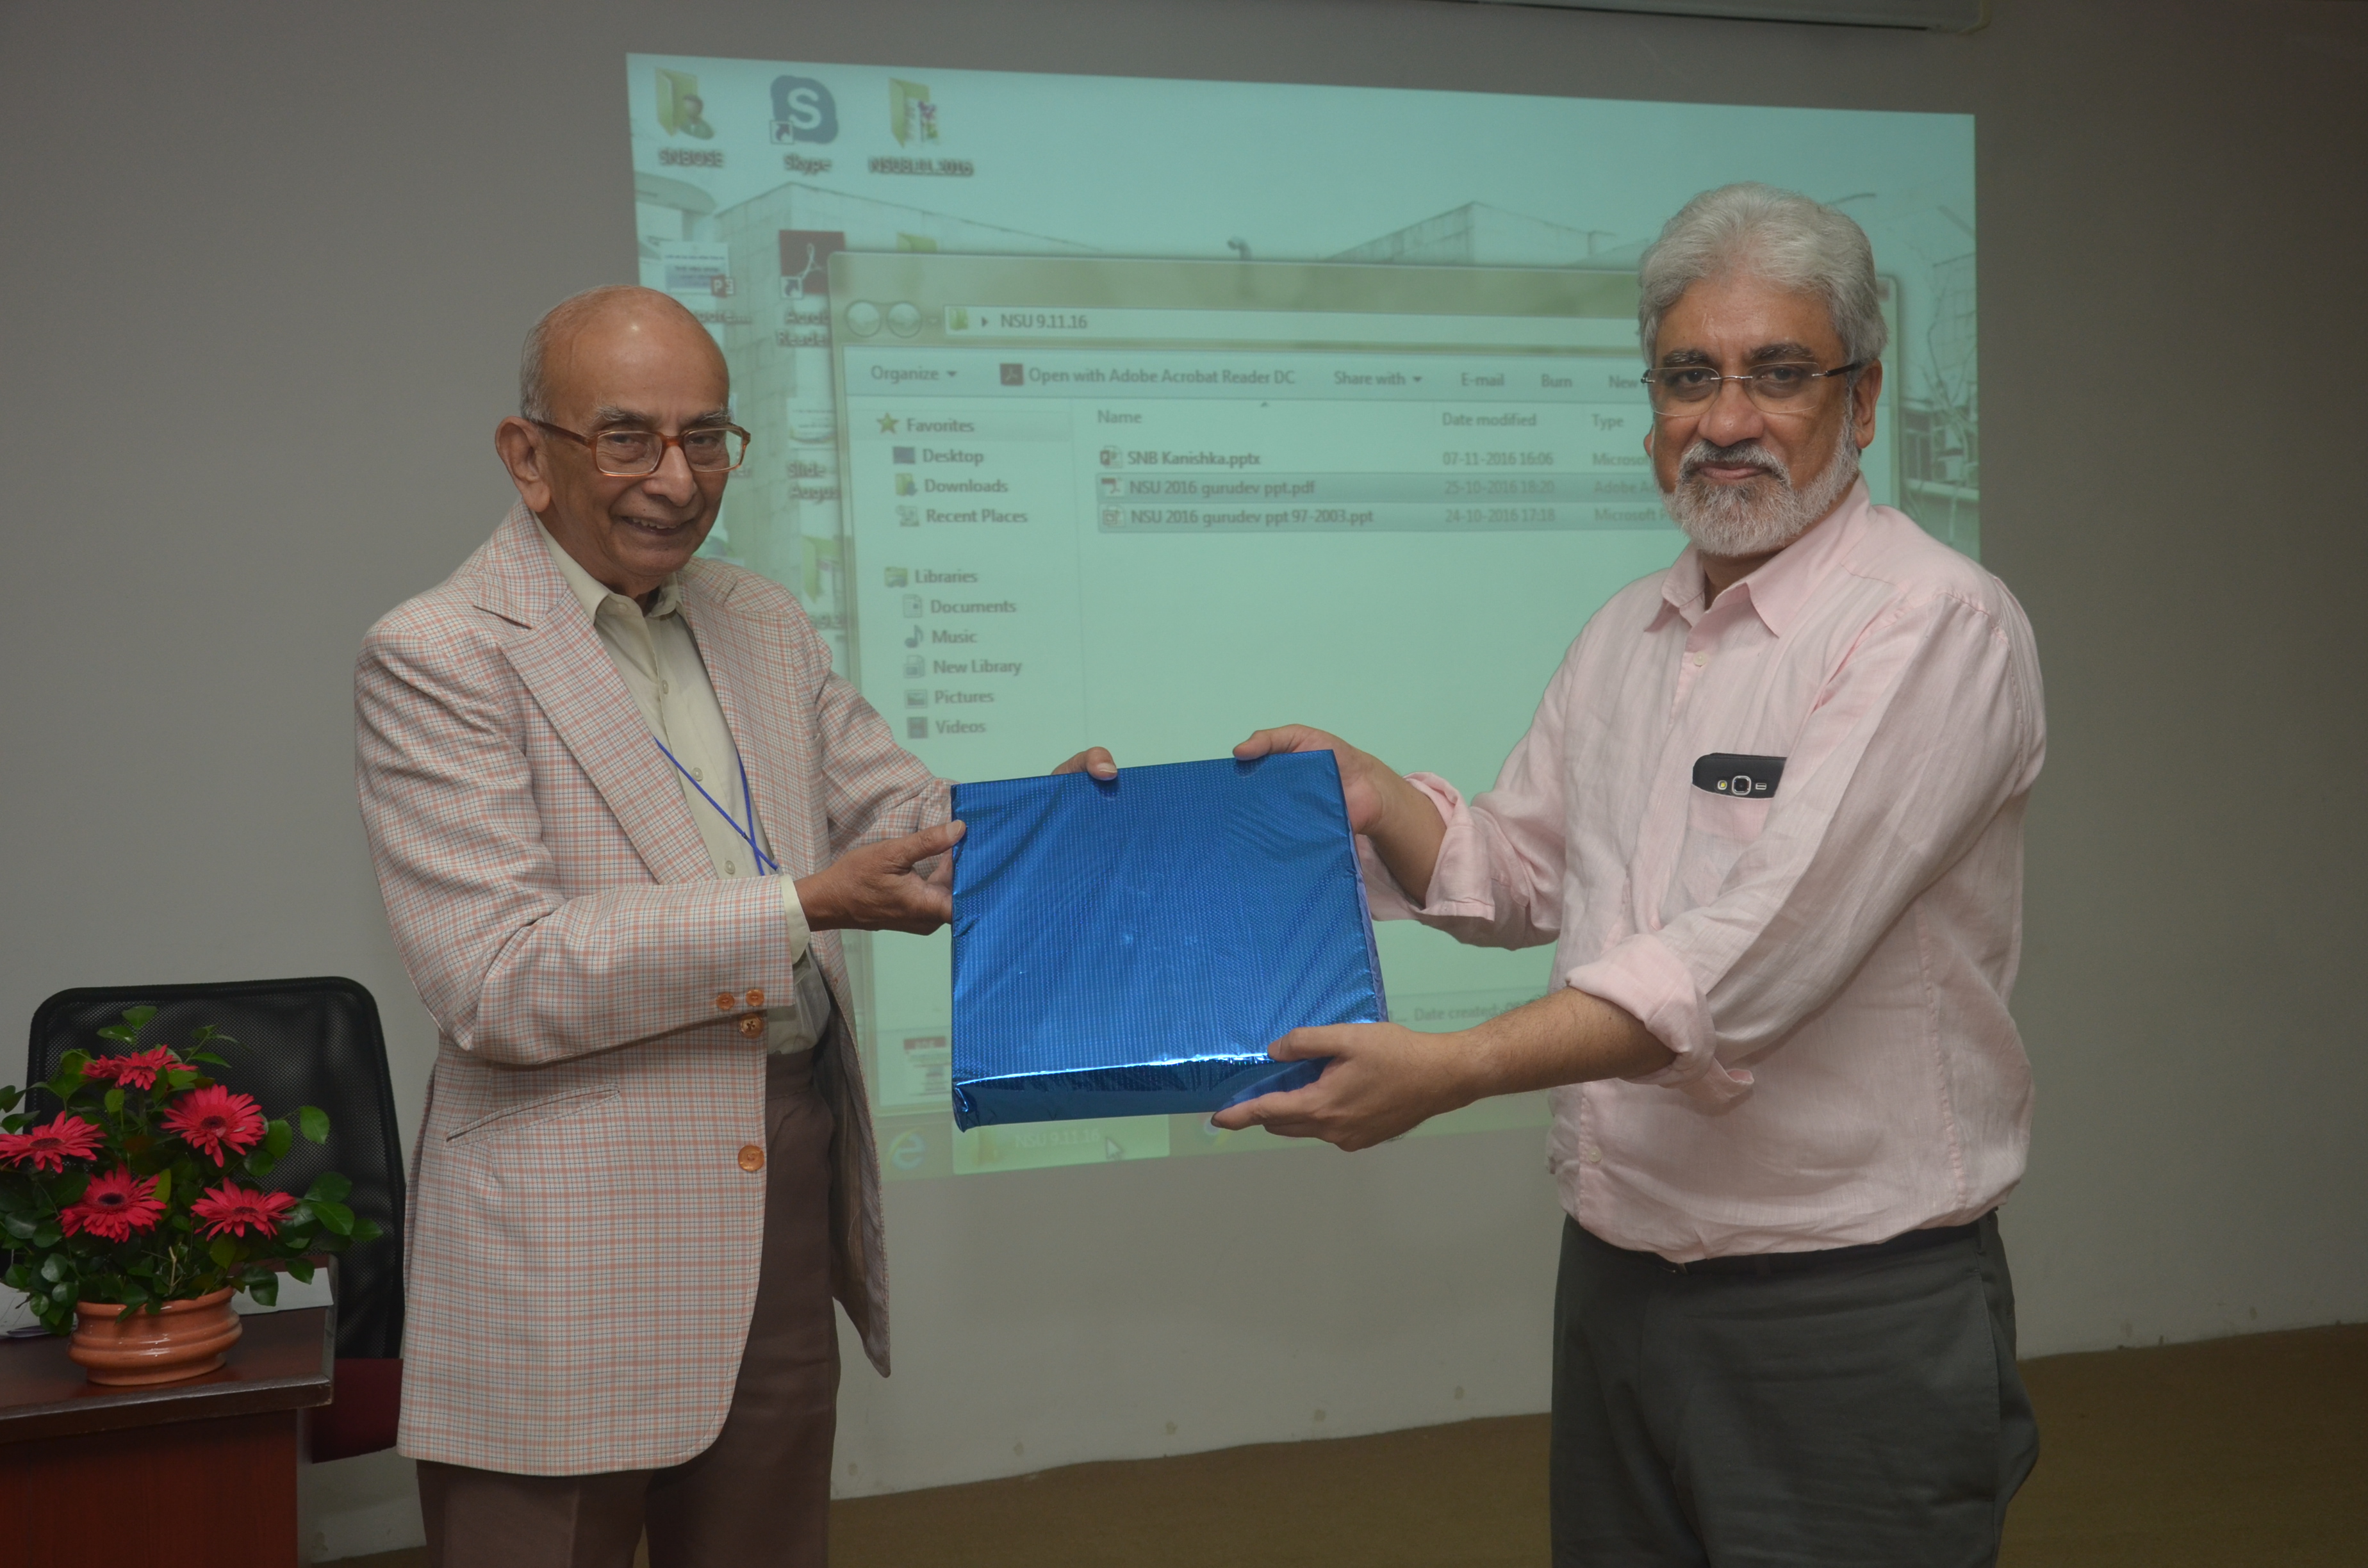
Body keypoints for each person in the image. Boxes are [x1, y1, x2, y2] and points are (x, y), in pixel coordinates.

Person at [1217, 184, 2045, 1564]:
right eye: (1688, 376)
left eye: (1779, 373)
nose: (1726, 420)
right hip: (1618, 1280)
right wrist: (1361, 795)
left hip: (1843, 1303)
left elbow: (1752, 958)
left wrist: (1457, 1069)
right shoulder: (1630, 633)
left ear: (1862, 400)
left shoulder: (1934, 625)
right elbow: (1518, 870)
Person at [354, 286, 1106, 1568]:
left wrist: (1066, 828)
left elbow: (903, 813)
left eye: (706, 437)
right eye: (627, 438)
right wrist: (802, 905)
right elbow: (496, 976)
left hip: (784, 1173)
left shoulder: (760, 618)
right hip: (570, 1227)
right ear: (527, 455)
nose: (677, 478)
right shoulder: (439, 652)